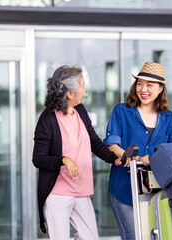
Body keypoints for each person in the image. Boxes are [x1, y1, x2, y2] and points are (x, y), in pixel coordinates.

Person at [32, 65, 120, 240]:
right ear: (69, 93)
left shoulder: (80, 110)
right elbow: (38, 158)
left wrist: (113, 158)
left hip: (81, 190)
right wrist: (64, 160)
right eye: (82, 85)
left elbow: (94, 141)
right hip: (57, 193)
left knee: (90, 237)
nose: (84, 89)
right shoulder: (47, 119)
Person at [104, 62, 172, 240]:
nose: (143, 89)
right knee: (133, 237)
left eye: (150, 85)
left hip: (157, 191)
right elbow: (112, 144)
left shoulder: (169, 118)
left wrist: (153, 158)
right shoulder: (121, 111)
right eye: (139, 83)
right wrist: (132, 158)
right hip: (124, 189)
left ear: (161, 89)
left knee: (156, 236)